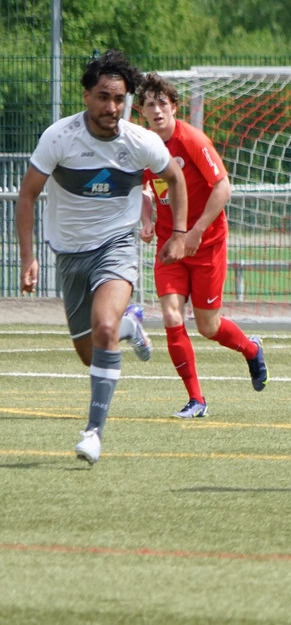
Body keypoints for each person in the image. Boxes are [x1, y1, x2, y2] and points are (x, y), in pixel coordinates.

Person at [17, 49, 190, 465]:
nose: (112, 107)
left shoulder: (141, 142)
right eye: (103, 97)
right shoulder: (59, 137)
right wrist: (28, 257)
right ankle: (131, 326)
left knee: (104, 326)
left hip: (116, 245)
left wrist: (180, 234)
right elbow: (27, 195)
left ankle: (93, 431)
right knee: (91, 351)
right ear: (86, 97)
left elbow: (175, 177)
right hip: (69, 253)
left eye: (119, 98)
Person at [136, 72, 268, 418]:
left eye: (162, 103)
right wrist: (147, 218)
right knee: (170, 314)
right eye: (150, 104)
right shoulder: (144, 147)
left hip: (205, 244)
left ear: (174, 107)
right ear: (142, 113)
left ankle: (251, 349)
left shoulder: (192, 140)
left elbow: (223, 188)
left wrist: (194, 232)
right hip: (170, 246)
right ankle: (197, 400)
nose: (157, 110)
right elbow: (144, 189)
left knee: (208, 326)